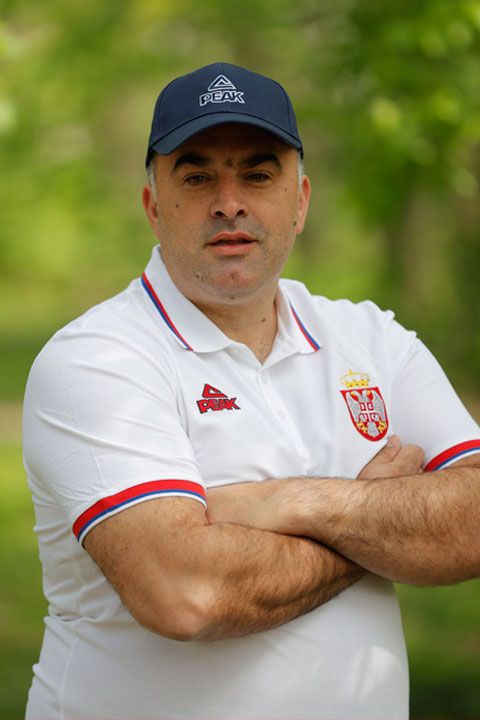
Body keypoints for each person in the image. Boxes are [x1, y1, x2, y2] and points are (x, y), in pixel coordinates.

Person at [22, 61, 480, 720]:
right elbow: (186, 593)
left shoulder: (372, 338)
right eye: (197, 176)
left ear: (301, 202)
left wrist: (291, 502)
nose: (229, 202)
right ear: (153, 206)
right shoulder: (98, 358)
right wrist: (382, 518)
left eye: (258, 175)